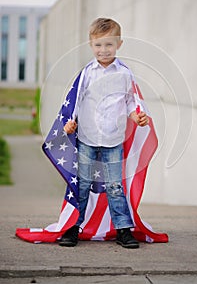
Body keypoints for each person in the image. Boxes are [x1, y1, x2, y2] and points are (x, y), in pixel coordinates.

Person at [59, 17, 149, 249]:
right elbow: (75, 101)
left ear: (119, 44)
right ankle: (73, 227)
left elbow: (131, 102)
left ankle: (122, 229)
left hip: (113, 140)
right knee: (83, 184)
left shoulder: (125, 74)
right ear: (91, 45)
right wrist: (71, 122)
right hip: (87, 138)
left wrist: (136, 117)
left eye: (109, 44)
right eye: (98, 45)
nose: (103, 50)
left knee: (114, 186)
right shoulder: (87, 73)